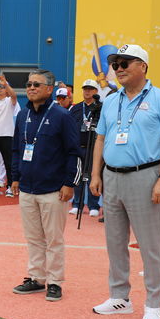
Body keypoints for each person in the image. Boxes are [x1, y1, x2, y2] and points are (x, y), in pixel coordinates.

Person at [90, 44, 160, 319]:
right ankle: (120, 298)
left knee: (150, 245)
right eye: (115, 63)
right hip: (112, 177)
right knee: (114, 242)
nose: (118, 68)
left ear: (143, 66)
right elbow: (101, 140)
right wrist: (95, 175)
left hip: (145, 176)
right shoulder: (111, 101)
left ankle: (154, 305)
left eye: (125, 63)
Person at [11, 69, 81, 302]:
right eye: (29, 84)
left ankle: (55, 282)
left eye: (36, 84)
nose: (31, 88)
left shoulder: (62, 116)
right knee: (33, 238)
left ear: (49, 89)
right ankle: (36, 278)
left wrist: (69, 183)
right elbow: (16, 149)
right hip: (28, 188)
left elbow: (74, 153)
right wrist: (15, 177)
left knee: (54, 239)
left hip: (53, 190)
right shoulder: (22, 116)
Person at [68, 79, 101, 217]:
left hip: (94, 148)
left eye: (90, 89)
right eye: (85, 89)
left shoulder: (100, 108)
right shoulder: (75, 108)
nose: (87, 91)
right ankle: (77, 204)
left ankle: (94, 205)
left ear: (96, 91)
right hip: (78, 147)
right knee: (78, 177)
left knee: (93, 175)